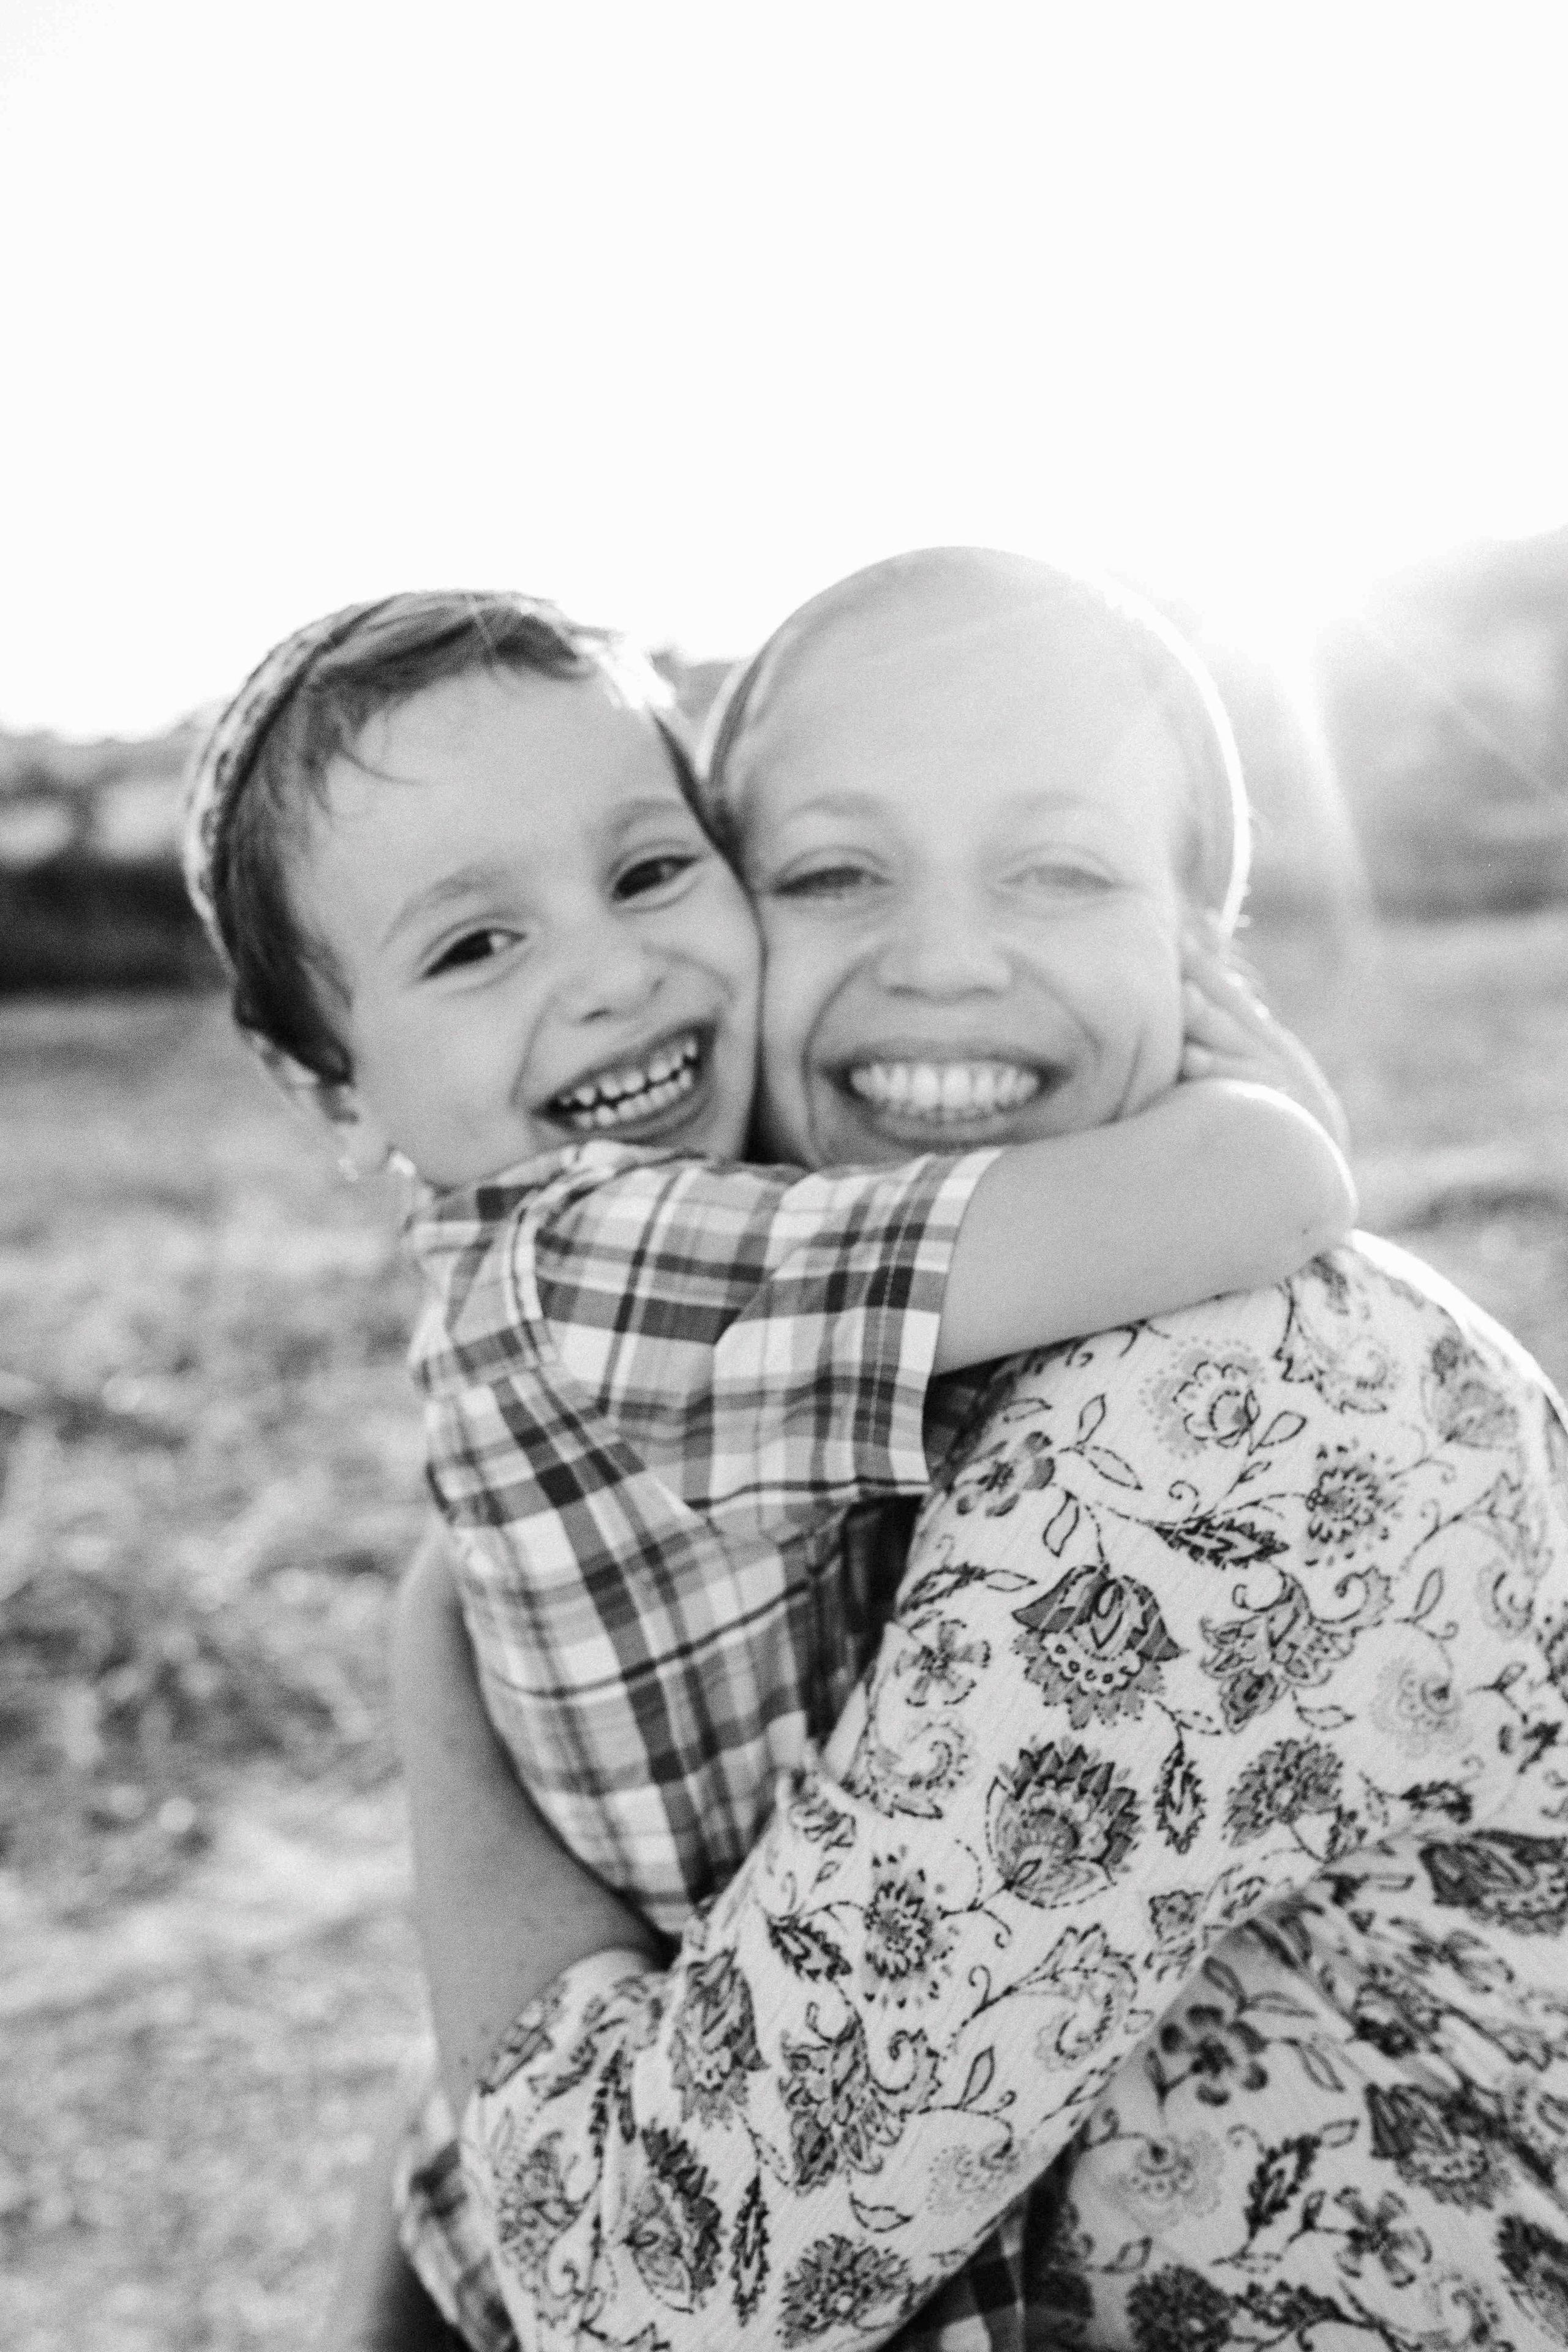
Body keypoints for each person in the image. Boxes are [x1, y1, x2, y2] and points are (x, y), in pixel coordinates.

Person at [398, 552, 1568, 2350]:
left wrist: (431, 1668)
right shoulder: (853, 1378)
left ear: (1194, 956)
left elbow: (674, 2298)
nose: (944, 960)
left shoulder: (1216, 1408)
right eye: (834, 872)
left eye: (1060, 868)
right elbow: (562, 2019)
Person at [180, 576, 1352, 2350]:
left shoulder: (645, 1246)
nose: (612, 968)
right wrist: (1251, 1098)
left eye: (650, 871)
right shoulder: (607, 1269)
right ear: (333, 1092)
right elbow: (1256, 1195)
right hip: (719, 2132)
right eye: (474, 945)